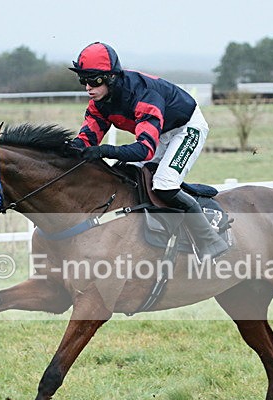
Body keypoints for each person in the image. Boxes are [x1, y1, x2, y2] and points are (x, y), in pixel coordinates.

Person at [67, 42, 228, 260]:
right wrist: (68, 150)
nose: (88, 87)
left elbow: (144, 149)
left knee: (164, 183)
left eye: (94, 80)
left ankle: (209, 239)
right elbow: (86, 139)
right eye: (83, 80)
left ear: (111, 77)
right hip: (160, 132)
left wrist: (104, 150)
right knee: (125, 175)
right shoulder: (99, 102)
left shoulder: (143, 96)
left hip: (186, 128)